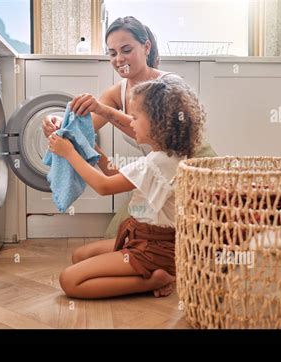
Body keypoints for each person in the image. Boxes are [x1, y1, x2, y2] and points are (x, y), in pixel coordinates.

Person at [42, 16, 217, 238]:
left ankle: (168, 266)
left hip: (193, 165)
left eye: (126, 50)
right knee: (117, 236)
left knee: (198, 232)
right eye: (112, 53)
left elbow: (159, 132)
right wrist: (56, 123)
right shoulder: (116, 93)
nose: (119, 59)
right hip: (156, 170)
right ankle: (157, 267)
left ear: (146, 47)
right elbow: (81, 131)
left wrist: (105, 110)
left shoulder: (169, 85)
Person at [47, 76, 205, 298]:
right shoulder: (166, 157)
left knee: (69, 281)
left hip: (154, 248)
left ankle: (156, 278)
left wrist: (69, 153)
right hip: (142, 238)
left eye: (135, 117)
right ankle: (152, 274)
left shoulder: (157, 162)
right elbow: (115, 175)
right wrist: (90, 148)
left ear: (158, 123)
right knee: (80, 256)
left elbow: (104, 186)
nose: (130, 123)